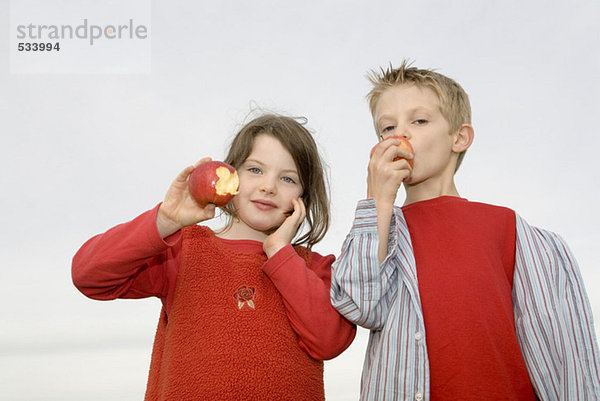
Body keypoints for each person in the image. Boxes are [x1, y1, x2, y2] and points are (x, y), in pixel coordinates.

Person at [330, 61, 600, 400]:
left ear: (459, 137)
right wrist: (377, 200)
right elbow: (358, 305)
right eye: (387, 127)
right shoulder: (380, 231)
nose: (401, 134)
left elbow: (563, 351)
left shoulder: (510, 229)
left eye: (419, 120)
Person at [72, 113, 356, 400]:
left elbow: (329, 341)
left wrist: (281, 253)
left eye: (287, 178)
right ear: (229, 175)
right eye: (255, 170)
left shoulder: (314, 267)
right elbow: (89, 275)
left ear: (303, 197)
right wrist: (165, 221)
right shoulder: (182, 251)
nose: (269, 186)